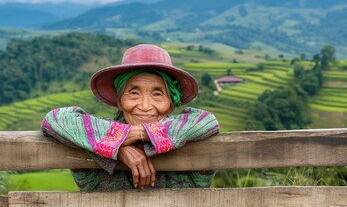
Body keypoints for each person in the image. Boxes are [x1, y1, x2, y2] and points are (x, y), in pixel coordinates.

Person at [41, 44, 220, 191]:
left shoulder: (186, 134)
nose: (144, 105)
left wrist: (137, 134)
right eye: (134, 93)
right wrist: (118, 148)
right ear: (120, 101)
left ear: (171, 102)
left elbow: (209, 121)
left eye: (157, 94)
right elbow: (56, 118)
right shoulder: (95, 136)